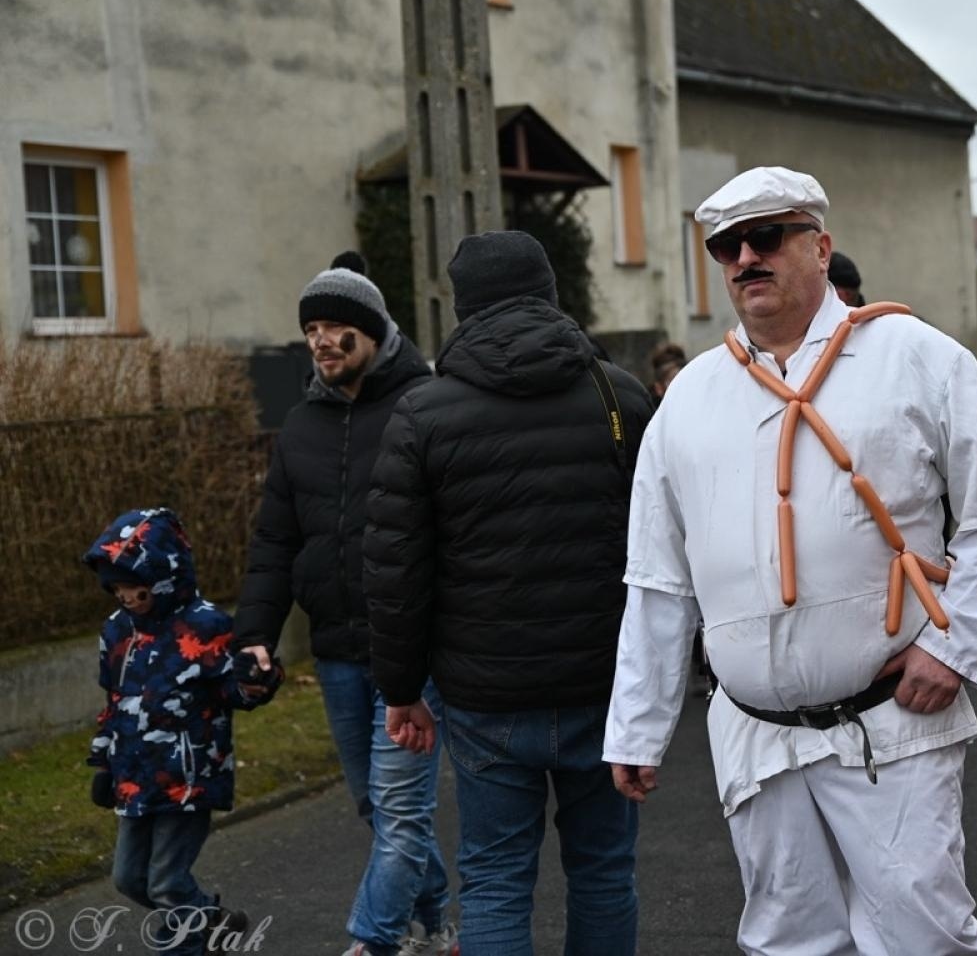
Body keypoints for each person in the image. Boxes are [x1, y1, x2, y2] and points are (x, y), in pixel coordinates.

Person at [604, 166, 977, 955]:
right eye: (725, 245)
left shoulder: (916, 356)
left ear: (819, 243)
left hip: (890, 721)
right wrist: (637, 725)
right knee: (788, 939)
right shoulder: (691, 397)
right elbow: (658, 575)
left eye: (766, 236)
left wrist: (955, 646)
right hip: (755, 736)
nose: (745, 258)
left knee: (923, 936)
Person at [365, 230, 654, 955]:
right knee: (603, 870)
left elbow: (397, 568)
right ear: (550, 294)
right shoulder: (618, 394)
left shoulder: (422, 413)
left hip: (485, 694)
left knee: (493, 878)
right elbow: (668, 548)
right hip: (602, 684)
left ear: (462, 308)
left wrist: (402, 689)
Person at [232, 254, 452, 956]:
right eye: (312, 329)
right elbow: (274, 541)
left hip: (412, 656)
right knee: (377, 807)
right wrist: (255, 635)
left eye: (336, 327)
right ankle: (440, 917)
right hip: (335, 652)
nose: (322, 340)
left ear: (372, 331)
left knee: (401, 811)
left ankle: (374, 940)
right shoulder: (299, 426)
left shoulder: (425, 406)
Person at [86, 508, 271, 955]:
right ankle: (210, 918)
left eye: (137, 588)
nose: (127, 598)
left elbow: (236, 692)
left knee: (167, 883)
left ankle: (188, 945)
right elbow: (113, 701)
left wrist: (255, 678)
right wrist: (103, 760)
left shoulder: (207, 626)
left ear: (163, 577)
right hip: (134, 775)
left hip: (187, 777)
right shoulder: (116, 632)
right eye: (117, 589)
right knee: (130, 879)